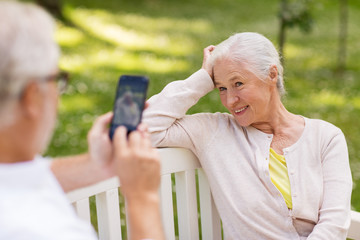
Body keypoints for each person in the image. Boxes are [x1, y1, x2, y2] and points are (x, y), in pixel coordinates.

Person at [143, 32, 353, 239]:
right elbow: (143, 129)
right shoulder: (213, 132)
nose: (230, 100)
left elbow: (334, 223)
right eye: (222, 88)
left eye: (238, 84)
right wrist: (202, 79)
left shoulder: (326, 138)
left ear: (272, 75)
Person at [0, 1, 164, 240]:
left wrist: (97, 165)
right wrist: (143, 198)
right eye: (56, 79)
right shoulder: (41, 230)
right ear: (32, 97)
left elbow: (19, 177)